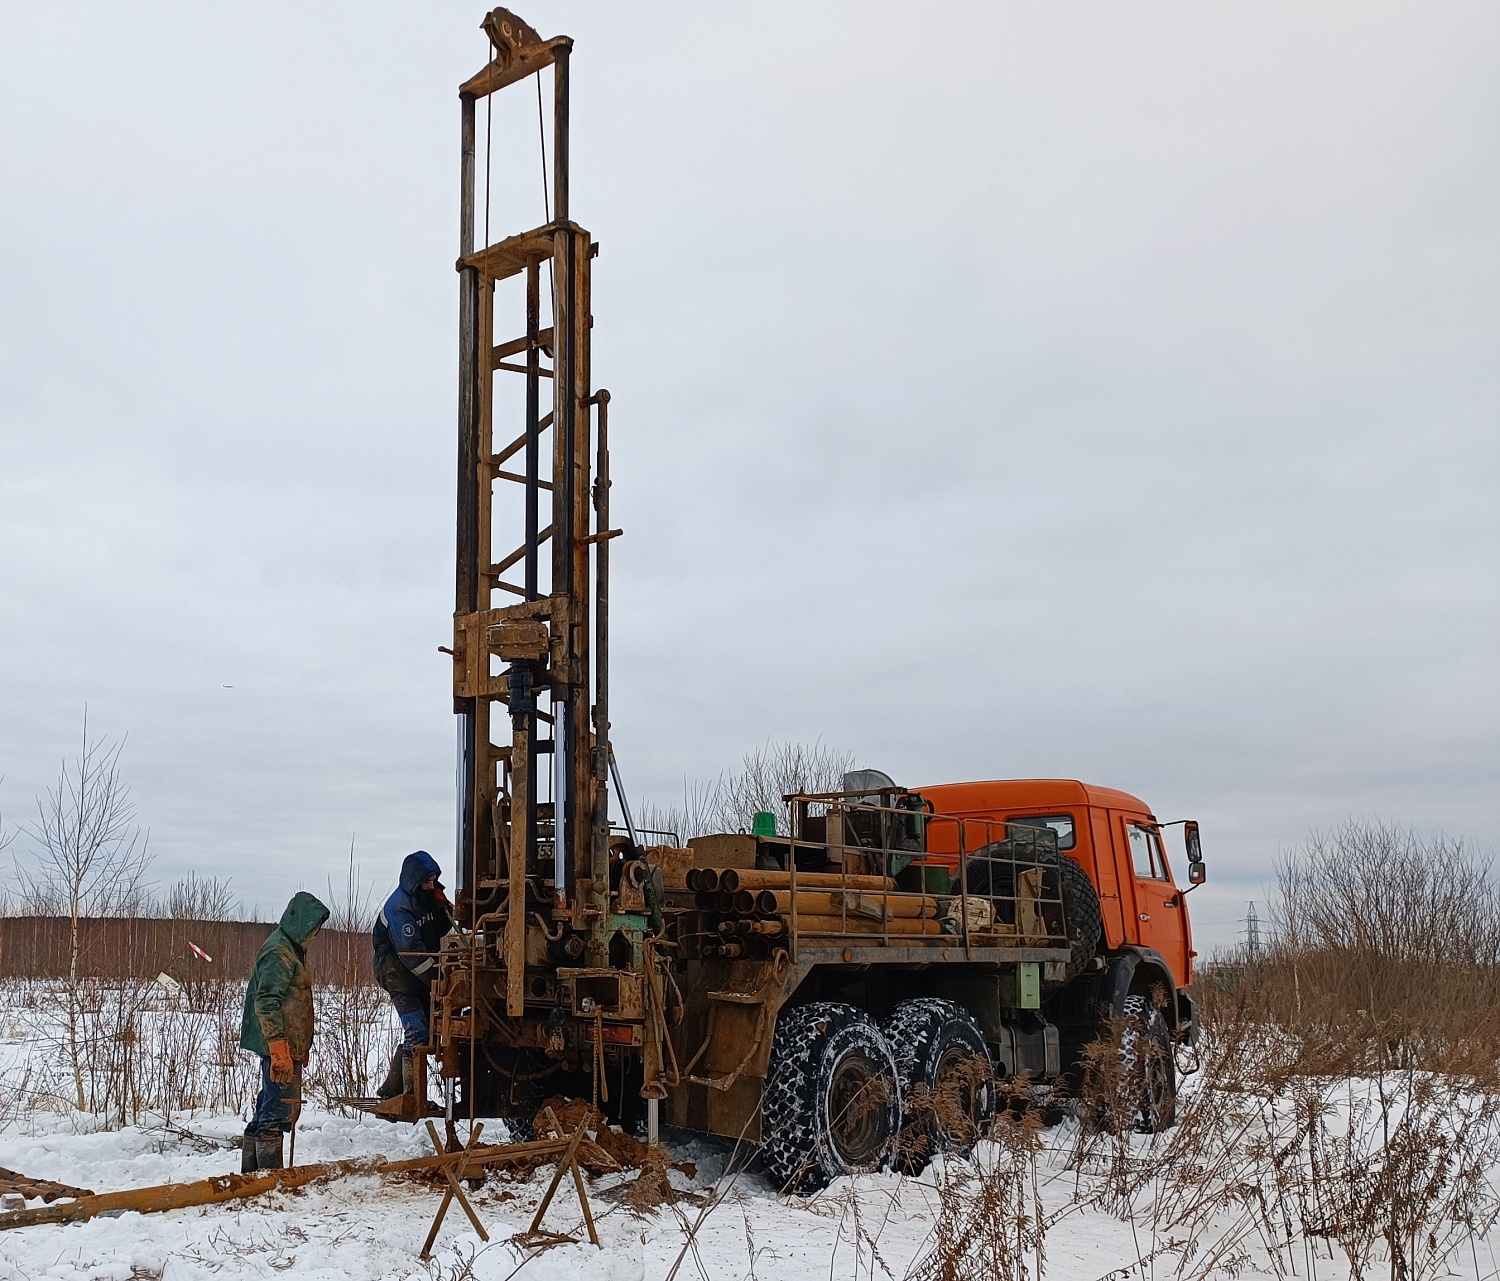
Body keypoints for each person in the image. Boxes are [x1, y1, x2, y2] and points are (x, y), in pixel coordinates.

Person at [239, 890, 330, 1173]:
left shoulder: (289, 949)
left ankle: (252, 1178)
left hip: (287, 1044)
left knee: (270, 1105)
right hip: (279, 1045)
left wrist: (300, 1046)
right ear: (301, 922)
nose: (315, 934)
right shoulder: (280, 951)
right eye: (313, 926)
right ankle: (268, 1181)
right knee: (277, 1112)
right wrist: (279, 1048)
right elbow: (266, 1000)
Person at [372, 850, 453, 1099]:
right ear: (414, 882)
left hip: (420, 977)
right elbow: (412, 955)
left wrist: (445, 906)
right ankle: (410, 1096)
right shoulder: (399, 909)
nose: (431, 886)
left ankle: (391, 1090)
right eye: (426, 882)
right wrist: (439, 983)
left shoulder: (427, 899)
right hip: (398, 975)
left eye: (433, 881)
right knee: (417, 1032)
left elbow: (444, 926)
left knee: (430, 1031)